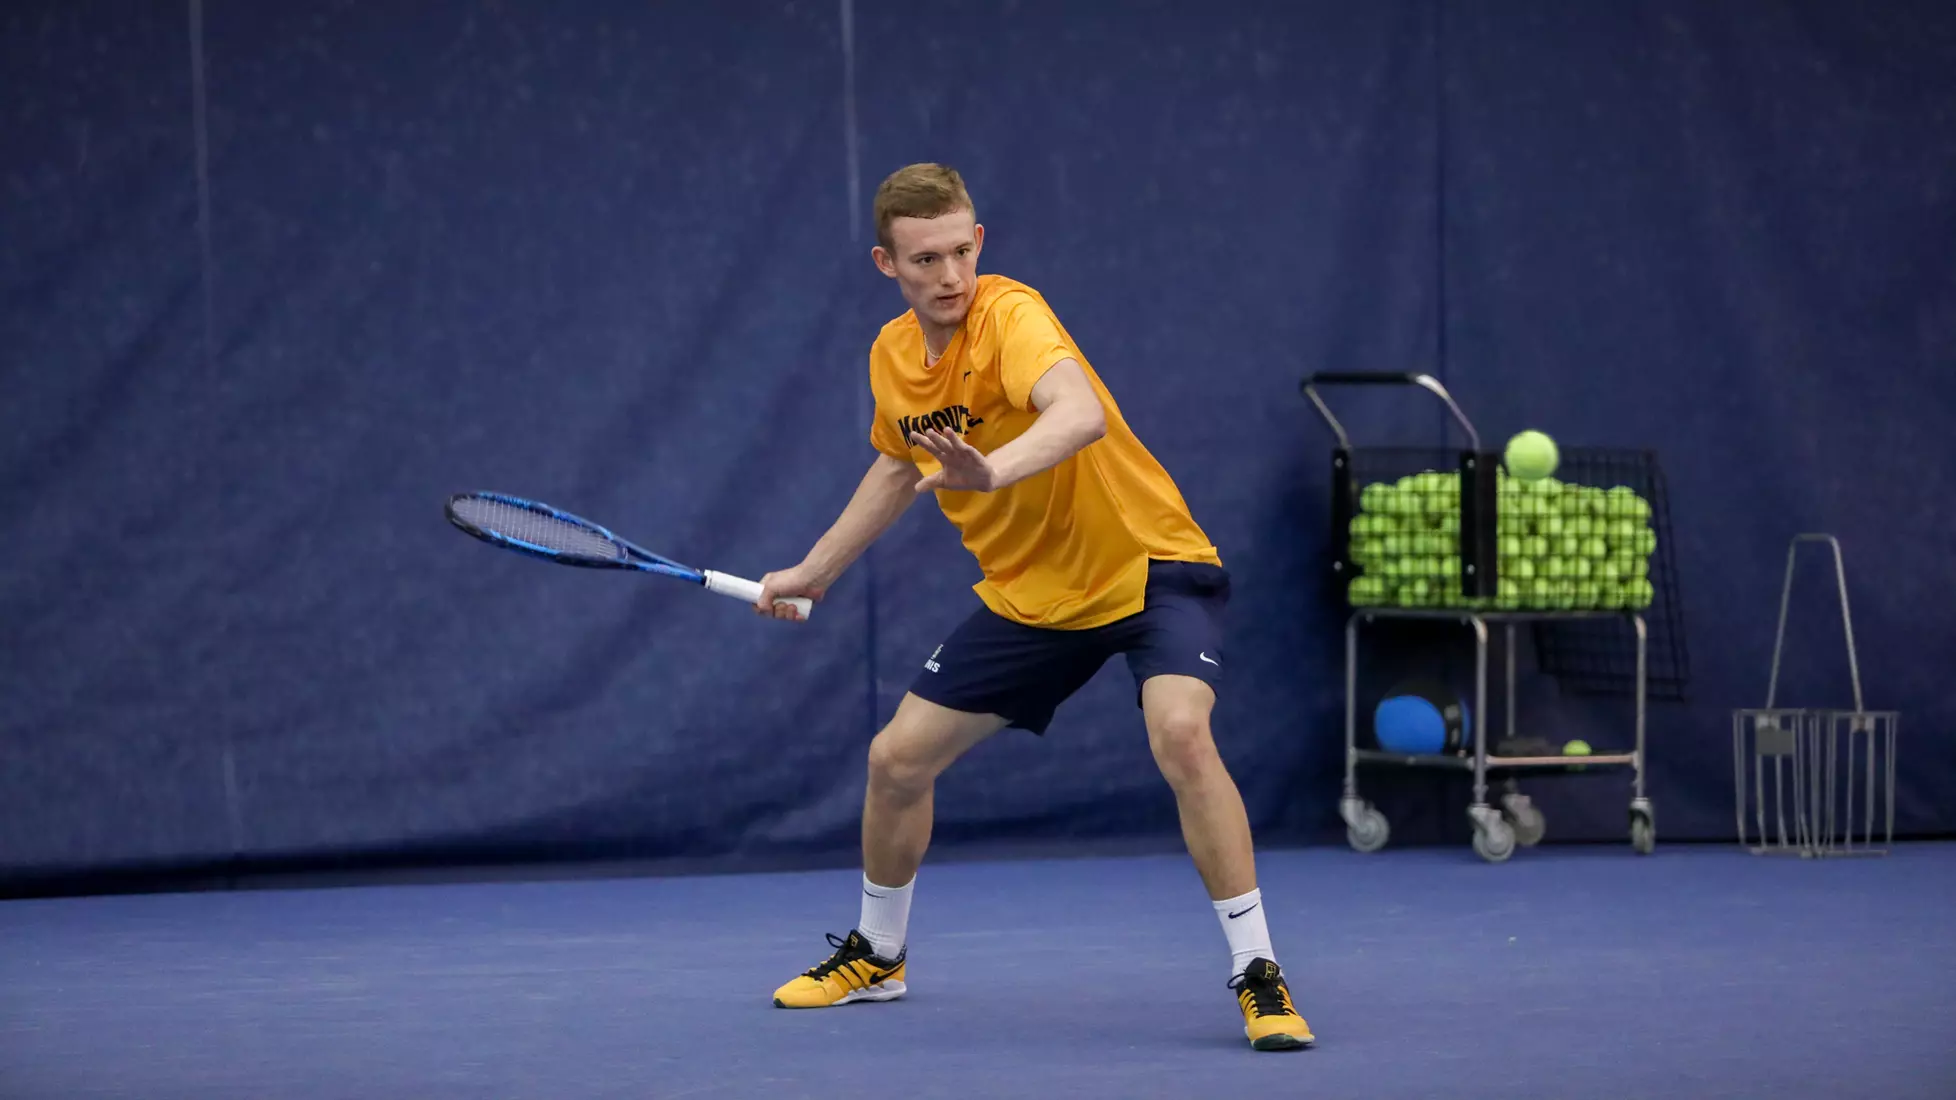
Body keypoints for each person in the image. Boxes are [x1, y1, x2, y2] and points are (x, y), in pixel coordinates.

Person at [753, 163, 1312, 1052]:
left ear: (980, 242)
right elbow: (898, 466)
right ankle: (880, 954)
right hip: (1036, 597)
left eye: (961, 250)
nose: (949, 275)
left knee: (1180, 732)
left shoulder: (1011, 313)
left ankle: (1258, 972)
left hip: (1147, 563)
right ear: (885, 264)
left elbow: (1078, 413)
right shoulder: (892, 356)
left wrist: (991, 469)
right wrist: (815, 569)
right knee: (896, 761)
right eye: (925, 258)